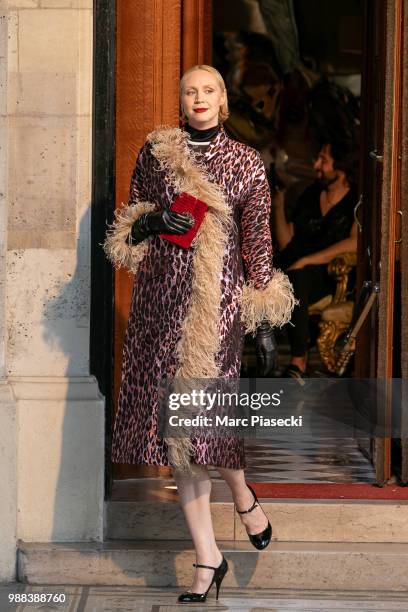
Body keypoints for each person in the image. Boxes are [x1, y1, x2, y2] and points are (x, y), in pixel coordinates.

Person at [104, 64, 295, 603]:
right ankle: (208, 558)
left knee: (206, 428)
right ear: (181, 101)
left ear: (224, 100)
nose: (199, 97)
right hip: (160, 308)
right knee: (182, 439)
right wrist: (149, 223)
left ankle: (241, 493)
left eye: (208, 90)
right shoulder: (157, 153)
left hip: (218, 313)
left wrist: (261, 322)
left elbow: (258, 245)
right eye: (190, 91)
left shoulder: (246, 164)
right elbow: (131, 222)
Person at [272, 141, 358, 379]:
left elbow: (354, 242)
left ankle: (298, 362)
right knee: (280, 275)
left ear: (340, 168)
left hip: (326, 274)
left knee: (298, 276)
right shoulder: (311, 194)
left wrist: (308, 260)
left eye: (323, 159)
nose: (316, 165)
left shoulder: (355, 200)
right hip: (295, 265)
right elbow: (287, 241)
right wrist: (278, 206)